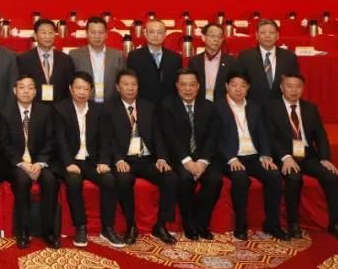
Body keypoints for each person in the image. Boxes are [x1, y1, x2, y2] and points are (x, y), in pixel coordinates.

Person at [268, 73, 338, 241]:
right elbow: (271, 136)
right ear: (282, 88)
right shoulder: (271, 108)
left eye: (297, 86)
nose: (293, 90)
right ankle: (293, 223)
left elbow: (321, 135)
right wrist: (285, 157)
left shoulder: (310, 108)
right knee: (294, 177)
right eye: (289, 86)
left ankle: (335, 223)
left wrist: (325, 158)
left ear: (303, 89)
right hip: (286, 156)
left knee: (332, 176)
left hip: (307, 155)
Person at [104, 69, 178, 244]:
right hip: (125, 159)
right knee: (123, 180)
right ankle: (131, 225)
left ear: (138, 87)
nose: (130, 88)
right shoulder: (108, 108)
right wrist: (118, 159)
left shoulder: (148, 107)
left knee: (171, 177)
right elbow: (108, 138)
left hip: (146, 159)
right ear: (118, 87)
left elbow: (158, 135)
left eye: (133, 84)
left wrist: (161, 158)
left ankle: (160, 225)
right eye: (126, 84)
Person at [215, 70, 287, 240]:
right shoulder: (217, 107)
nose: (238, 89)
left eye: (243, 86)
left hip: (254, 156)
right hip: (231, 157)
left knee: (274, 174)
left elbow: (264, 133)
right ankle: (240, 226)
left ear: (248, 88)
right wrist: (231, 158)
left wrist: (266, 155)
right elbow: (216, 138)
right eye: (234, 85)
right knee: (240, 178)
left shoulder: (255, 107)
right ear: (226, 86)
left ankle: (272, 225)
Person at [55, 72, 125, 247]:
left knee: (109, 179)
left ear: (91, 91)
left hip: (91, 161)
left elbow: (105, 138)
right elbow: (60, 140)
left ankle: (107, 228)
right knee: (73, 181)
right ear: (70, 89)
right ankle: (80, 227)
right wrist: (68, 163)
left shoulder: (99, 110)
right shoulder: (60, 109)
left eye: (86, 89)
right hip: (70, 161)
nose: (81, 92)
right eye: (78, 88)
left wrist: (104, 161)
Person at [159, 69, 223, 240]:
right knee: (185, 179)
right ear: (177, 86)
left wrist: (202, 162)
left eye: (192, 85)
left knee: (215, 180)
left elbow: (213, 137)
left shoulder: (209, 106)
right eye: (183, 85)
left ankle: (201, 223)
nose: (188, 89)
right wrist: (187, 161)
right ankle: (189, 224)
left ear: (198, 86)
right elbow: (170, 136)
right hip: (180, 157)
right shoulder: (168, 105)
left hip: (203, 157)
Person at [1, 75, 59, 249]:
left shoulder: (45, 112)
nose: (26, 91)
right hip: (16, 164)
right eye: (22, 87)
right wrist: (21, 164)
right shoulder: (5, 113)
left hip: (39, 162)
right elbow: (4, 144)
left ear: (35, 92)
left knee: (51, 180)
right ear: (15, 90)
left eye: (30, 87)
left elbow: (50, 140)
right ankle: (23, 231)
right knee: (22, 180)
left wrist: (40, 163)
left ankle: (49, 231)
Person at [238, 20, 300, 104]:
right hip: (253, 106)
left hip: (280, 106)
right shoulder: (245, 56)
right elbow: (241, 83)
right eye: (263, 32)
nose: (267, 36)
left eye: (271, 32)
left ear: (277, 35)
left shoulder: (289, 57)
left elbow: (295, 83)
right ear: (257, 35)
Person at [16, 19, 74, 103]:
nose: (48, 36)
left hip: (59, 107)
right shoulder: (23, 59)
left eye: (51, 32)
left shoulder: (65, 59)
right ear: (35, 36)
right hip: (34, 106)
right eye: (43, 33)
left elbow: (69, 88)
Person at [125, 19, 180, 107]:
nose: (155, 35)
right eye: (152, 32)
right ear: (145, 34)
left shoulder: (175, 58)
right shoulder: (134, 57)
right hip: (143, 106)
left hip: (169, 107)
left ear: (165, 34)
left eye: (159, 32)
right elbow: (131, 82)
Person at [69, 16, 124, 103]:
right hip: (84, 103)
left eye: (100, 32)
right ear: (87, 34)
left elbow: (122, 82)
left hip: (111, 104)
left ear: (106, 34)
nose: (97, 36)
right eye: (93, 32)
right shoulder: (75, 55)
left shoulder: (118, 56)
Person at [189, 23, 236, 102]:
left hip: (223, 103)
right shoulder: (194, 61)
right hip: (200, 102)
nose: (216, 40)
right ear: (203, 38)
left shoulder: (231, 61)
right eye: (212, 36)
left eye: (219, 36)